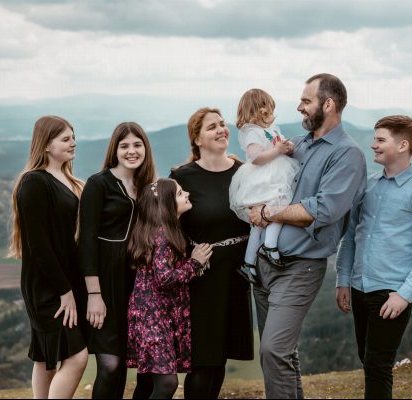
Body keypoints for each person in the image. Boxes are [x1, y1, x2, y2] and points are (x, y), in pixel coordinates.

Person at [249, 73, 367, 399]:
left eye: (306, 100)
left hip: (300, 266)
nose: (299, 107)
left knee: (273, 350)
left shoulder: (347, 154)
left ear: (328, 105)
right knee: (283, 352)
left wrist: (268, 213)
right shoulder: (300, 144)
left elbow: (322, 210)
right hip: (264, 263)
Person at [335, 115, 412, 399]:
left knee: (378, 365)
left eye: (380, 140)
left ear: (403, 145)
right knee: (366, 359)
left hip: (391, 294)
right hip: (358, 289)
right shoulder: (367, 186)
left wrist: (404, 295)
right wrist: (342, 280)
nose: (373, 146)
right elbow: (350, 238)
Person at [169, 107, 254, 399]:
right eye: (211, 127)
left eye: (222, 124)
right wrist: (188, 257)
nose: (221, 130)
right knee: (204, 359)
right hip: (203, 277)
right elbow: (167, 228)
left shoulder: (244, 171)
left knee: (222, 356)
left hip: (238, 275)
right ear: (197, 138)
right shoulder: (182, 177)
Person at [8, 115, 88, 399]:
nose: (73, 143)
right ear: (46, 146)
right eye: (65, 139)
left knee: (45, 357)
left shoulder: (67, 179)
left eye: (73, 137)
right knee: (77, 357)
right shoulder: (34, 183)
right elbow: (38, 245)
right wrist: (64, 290)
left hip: (64, 281)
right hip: (48, 286)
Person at [78, 122, 156, 398]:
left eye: (137, 145)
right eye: (124, 146)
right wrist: (94, 294)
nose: (131, 151)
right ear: (115, 150)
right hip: (105, 280)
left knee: (128, 362)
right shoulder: (98, 184)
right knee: (110, 364)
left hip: (138, 281)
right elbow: (86, 241)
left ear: (145, 148)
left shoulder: (147, 186)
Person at [126, 179, 213, 399]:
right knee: (167, 382)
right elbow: (164, 278)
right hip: (152, 317)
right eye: (180, 193)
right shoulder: (163, 235)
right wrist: (195, 262)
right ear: (166, 204)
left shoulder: (162, 230)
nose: (187, 194)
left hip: (153, 315)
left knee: (149, 381)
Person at [229, 88, 299, 284]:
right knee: (277, 207)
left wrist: (286, 147)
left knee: (260, 222)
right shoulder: (252, 132)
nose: (272, 115)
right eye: (269, 110)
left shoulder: (272, 129)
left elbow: (278, 144)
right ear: (260, 111)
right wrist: (277, 150)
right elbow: (255, 158)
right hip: (262, 178)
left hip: (275, 175)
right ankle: (270, 246)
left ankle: (249, 262)